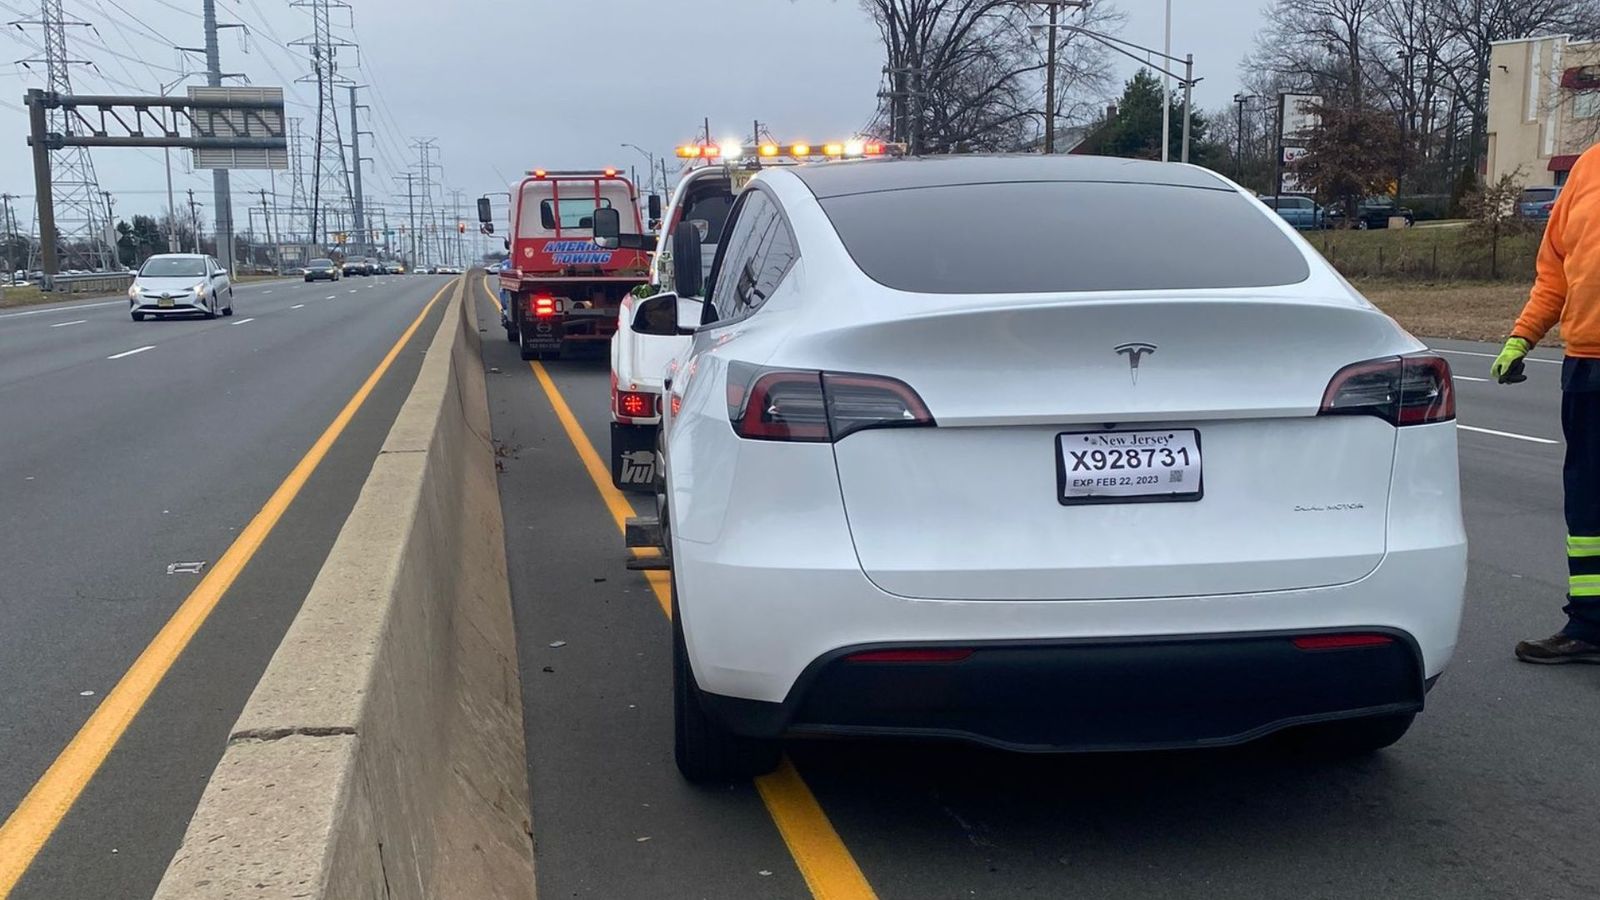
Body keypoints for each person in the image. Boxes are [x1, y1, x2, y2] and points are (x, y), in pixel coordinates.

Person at [1494, 146, 1600, 664]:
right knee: (1588, 506)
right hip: (1587, 365)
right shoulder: (1586, 169)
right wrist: (1523, 336)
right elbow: (1555, 271)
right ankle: (1589, 626)